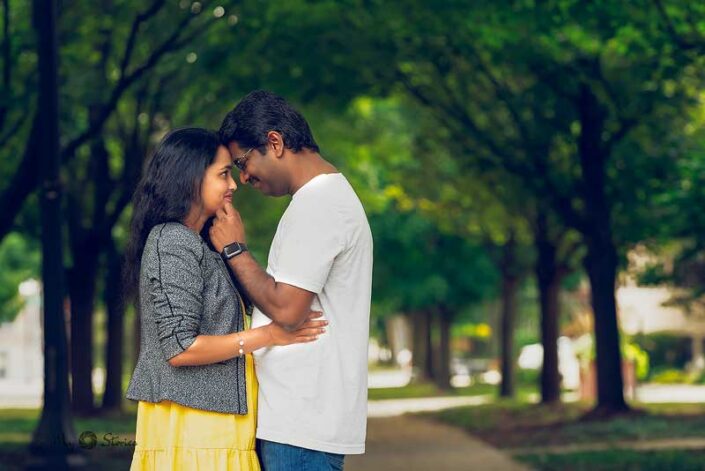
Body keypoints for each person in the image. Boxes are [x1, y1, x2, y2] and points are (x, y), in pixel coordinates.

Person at [123, 127, 327, 471]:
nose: (233, 185)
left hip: (217, 430)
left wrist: (235, 249)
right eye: (223, 174)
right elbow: (180, 347)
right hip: (193, 433)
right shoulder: (171, 241)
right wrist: (271, 336)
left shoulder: (199, 244)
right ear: (188, 179)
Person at [210, 90, 373, 471]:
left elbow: (287, 308)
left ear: (275, 142)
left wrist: (234, 249)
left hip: (300, 424)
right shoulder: (320, 199)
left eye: (243, 162)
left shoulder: (319, 204)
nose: (244, 177)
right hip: (301, 420)